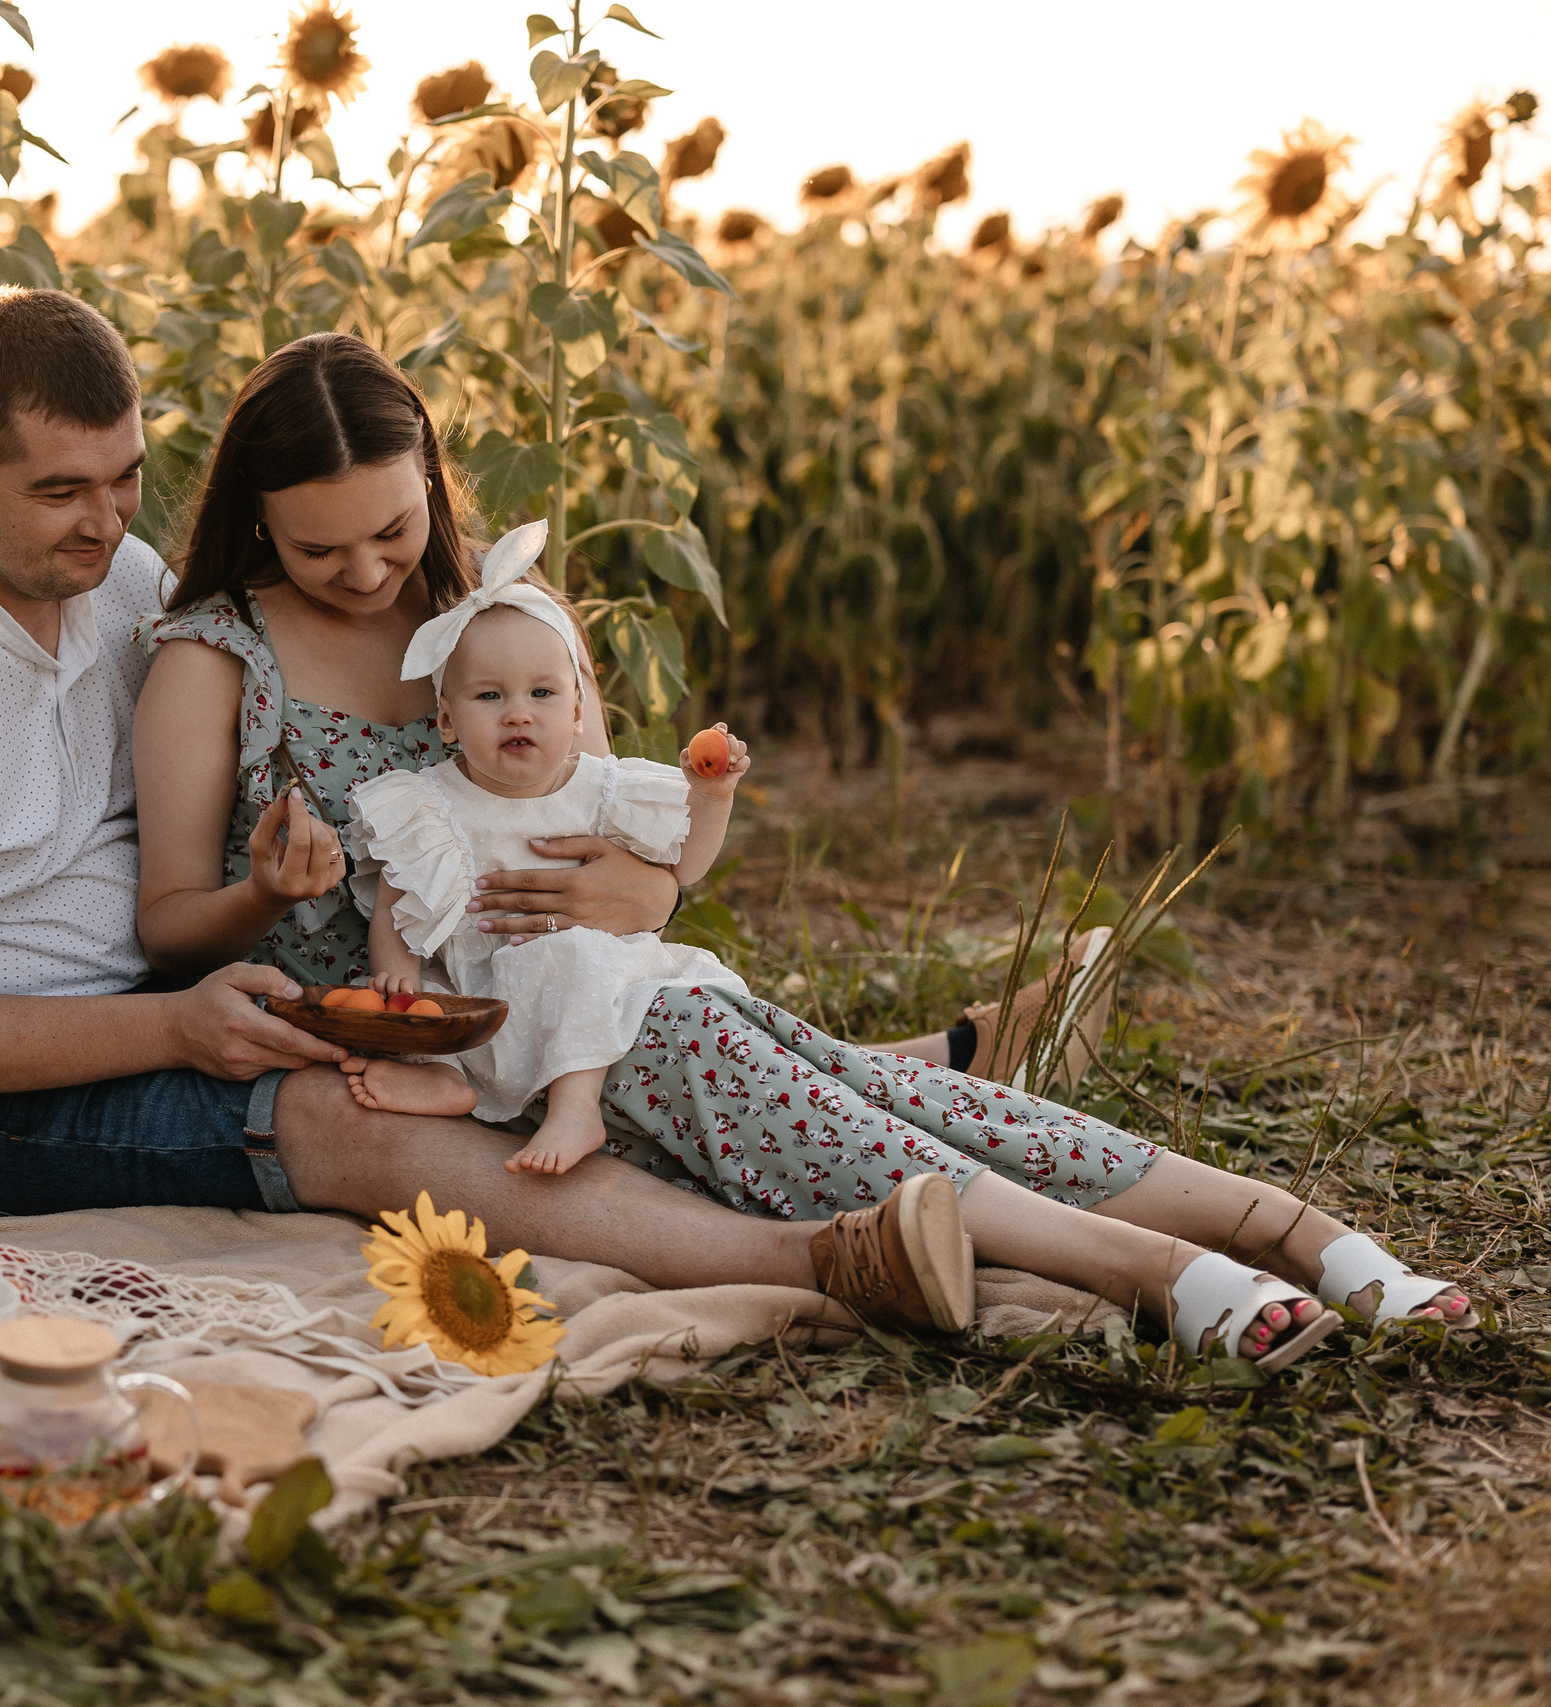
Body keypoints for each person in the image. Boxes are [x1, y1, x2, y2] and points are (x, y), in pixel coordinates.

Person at [131, 329, 1477, 1372]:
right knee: (867, 1124)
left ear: (434, 482)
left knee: (928, 1120)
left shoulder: (496, 623)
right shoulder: (216, 661)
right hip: (434, 1048)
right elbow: (168, 924)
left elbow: (631, 827)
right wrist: (262, 887)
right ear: (256, 517)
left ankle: (1299, 1236)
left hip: (628, 987)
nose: (369, 571)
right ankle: (1188, 1262)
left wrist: (642, 879)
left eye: (395, 529)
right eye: (322, 547)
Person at [0, 286, 973, 1344]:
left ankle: (905, 1083)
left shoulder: (109, 576)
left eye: (127, 476)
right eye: (60, 491)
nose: (109, 517)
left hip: (145, 1004)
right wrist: (180, 1030)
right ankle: (822, 1260)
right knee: (353, 1118)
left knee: (495, 1035)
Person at [339, 517, 760, 1179]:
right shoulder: (431, 801)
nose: (518, 712)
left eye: (542, 693)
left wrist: (713, 798)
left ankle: (576, 1104)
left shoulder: (602, 789)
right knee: (430, 997)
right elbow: (398, 894)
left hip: (585, 978)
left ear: (575, 713)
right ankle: (451, 1081)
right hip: (486, 988)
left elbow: (685, 866)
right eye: (489, 695)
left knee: (575, 955)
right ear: (447, 720)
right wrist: (389, 963)